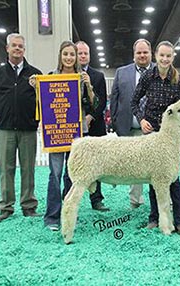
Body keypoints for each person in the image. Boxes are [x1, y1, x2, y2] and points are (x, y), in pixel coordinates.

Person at [131, 40, 180, 235]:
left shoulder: (177, 79)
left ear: (173, 57)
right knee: (153, 178)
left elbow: (179, 110)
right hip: (151, 132)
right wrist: (141, 119)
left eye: (168, 56)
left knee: (174, 178)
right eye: (162, 55)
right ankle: (154, 218)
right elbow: (134, 101)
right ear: (156, 56)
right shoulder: (148, 76)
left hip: (170, 135)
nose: (165, 59)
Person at [40, 41, 96, 231]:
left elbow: (93, 104)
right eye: (66, 54)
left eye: (72, 54)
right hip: (56, 132)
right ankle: (52, 217)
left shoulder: (81, 77)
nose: (69, 58)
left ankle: (69, 213)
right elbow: (44, 103)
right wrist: (35, 86)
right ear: (60, 56)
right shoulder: (50, 77)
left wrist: (88, 85)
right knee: (55, 174)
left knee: (73, 176)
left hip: (76, 131)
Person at [0, 33, 42, 222]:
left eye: (20, 46)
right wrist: (2, 115)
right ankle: (6, 206)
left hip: (28, 129)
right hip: (6, 129)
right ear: (7, 48)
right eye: (14, 46)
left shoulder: (35, 74)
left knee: (28, 169)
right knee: (6, 168)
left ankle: (28, 205)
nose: (17, 49)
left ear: (24, 50)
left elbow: (41, 101)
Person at [109, 39, 154, 209]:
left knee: (155, 167)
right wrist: (116, 124)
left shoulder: (160, 71)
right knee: (134, 168)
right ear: (134, 54)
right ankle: (136, 201)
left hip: (153, 131)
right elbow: (114, 99)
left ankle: (157, 202)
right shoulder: (121, 72)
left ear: (150, 53)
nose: (142, 55)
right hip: (129, 130)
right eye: (139, 52)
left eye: (145, 52)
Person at [75, 40, 109, 212]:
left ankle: (96, 199)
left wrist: (90, 116)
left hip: (95, 126)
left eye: (85, 53)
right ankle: (70, 196)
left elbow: (102, 102)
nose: (82, 56)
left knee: (97, 163)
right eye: (79, 53)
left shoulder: (98, 76)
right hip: (73, 126)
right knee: (73, 162)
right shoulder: (67, 74)